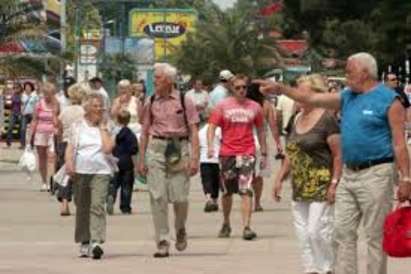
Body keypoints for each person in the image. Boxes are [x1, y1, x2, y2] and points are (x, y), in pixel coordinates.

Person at [258, 52, 411, 274]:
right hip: (349, 174)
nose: (346, 76)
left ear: (364, 73)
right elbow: (311, 99)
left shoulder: (389, 100)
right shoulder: (347, 96)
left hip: (377, 172)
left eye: (349, 72)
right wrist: (281, 89)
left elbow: (399, 143)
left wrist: (406, 178)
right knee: (342, 232)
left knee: (375, 235)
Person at [273, 74, 342, 274]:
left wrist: (334, 183)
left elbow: (338, 155)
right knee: (303, 233)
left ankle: (327, 268)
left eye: (302, 91)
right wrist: (279, 178)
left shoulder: (327, 119)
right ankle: (310, 268)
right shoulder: (296, 119)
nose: (297, 94)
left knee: (317, 231)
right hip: (299, 184)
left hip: (321, 183)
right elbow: (291, 153)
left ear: (317, 94)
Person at [138, 63, 200, 258]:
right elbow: (145, 131)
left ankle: (180, 228)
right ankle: (162, 241)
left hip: (179, 149)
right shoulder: (150, 101)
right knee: (158, 197)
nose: (154, 81)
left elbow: (194, 131)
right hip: (156, 149)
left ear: (169, 80)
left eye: (157, 78)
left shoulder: (184, 100)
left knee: (180, 197)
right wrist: (141, 159)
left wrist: (195, 158)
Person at [208, 74, 267, 240]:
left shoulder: (255, 107)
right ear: (232, 89)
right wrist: (211, 146)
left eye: (244, 87)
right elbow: (212, 126)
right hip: (228, 153)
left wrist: (264, 151)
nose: (242, 90)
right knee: (227, 192)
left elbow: (261, 129)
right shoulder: (222, 106)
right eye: (238, 87)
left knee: (246, 190)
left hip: (247, 152)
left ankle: (247, 226)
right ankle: (226, 223)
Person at [65, 93, 114, 259]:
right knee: (82, 207)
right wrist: (69, 163)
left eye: (101, 105)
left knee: (97, 205)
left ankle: (97, 242)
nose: (99, 109)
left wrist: (102, 128)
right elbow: (71, 148)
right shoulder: (77, 126)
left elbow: (108, 149)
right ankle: (84, 240)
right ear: (87, 108)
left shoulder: (107, 125)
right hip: (80, 171)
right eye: (95, 105)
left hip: (101, 171)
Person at [246, 82, 282, 212]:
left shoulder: (245, 105)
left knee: (246, 173)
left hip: (245, 142)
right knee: (258, 175)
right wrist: (278, 144)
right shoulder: (266, 105)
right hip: (261, 144)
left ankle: (247, 200)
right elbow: (273, 126)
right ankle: (257, 202)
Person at [56, 83, 86, 216]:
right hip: (80, 144)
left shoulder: (65, 111)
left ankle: (64, 203)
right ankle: (81, 202)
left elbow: (59, 128)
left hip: (65, 143)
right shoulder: (84, 111)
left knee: (65, 174)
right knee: (81, 174)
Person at [107, 110, 138, 215]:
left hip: (115, 161)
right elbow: (134, 149)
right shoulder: (130, 134)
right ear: (128, 120)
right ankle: (125, 207)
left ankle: (111, 196)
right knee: (127, 185)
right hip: (127, 161)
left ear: (117, 119)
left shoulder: (113, 133)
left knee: (114, 183)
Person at [30, 82, 60, 191]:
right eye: (45, 94)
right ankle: (44, 182)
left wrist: (55, 113)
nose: (47, 96)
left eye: (49, 94)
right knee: (42, 158)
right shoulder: (39, 104)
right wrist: (30, 137)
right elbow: (34, 120)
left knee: (52, 157)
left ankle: (51, 181)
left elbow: (58, 120)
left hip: (52, 133)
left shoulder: (57, 104)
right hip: (40, 133)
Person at [199, 121, 221, 212]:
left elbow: (198, 144)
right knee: (216, 181)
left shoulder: (200, 131)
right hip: (217, 159)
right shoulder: (219, 129)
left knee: (206, 180)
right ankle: (214, 200)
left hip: (204, 159)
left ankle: (208, 199)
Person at [20, 82, 38, 148]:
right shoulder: (23, 95)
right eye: (26, 87)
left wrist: (35, 113)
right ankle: (22, 144)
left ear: (31, 87)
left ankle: (31, 144)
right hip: (25, 114)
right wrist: (21, 111)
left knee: (32, 129)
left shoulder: (35, 95)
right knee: (23, 129)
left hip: (32, 114)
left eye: (29, 87)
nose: (27, 88)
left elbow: (37, 105)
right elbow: (22, 104)